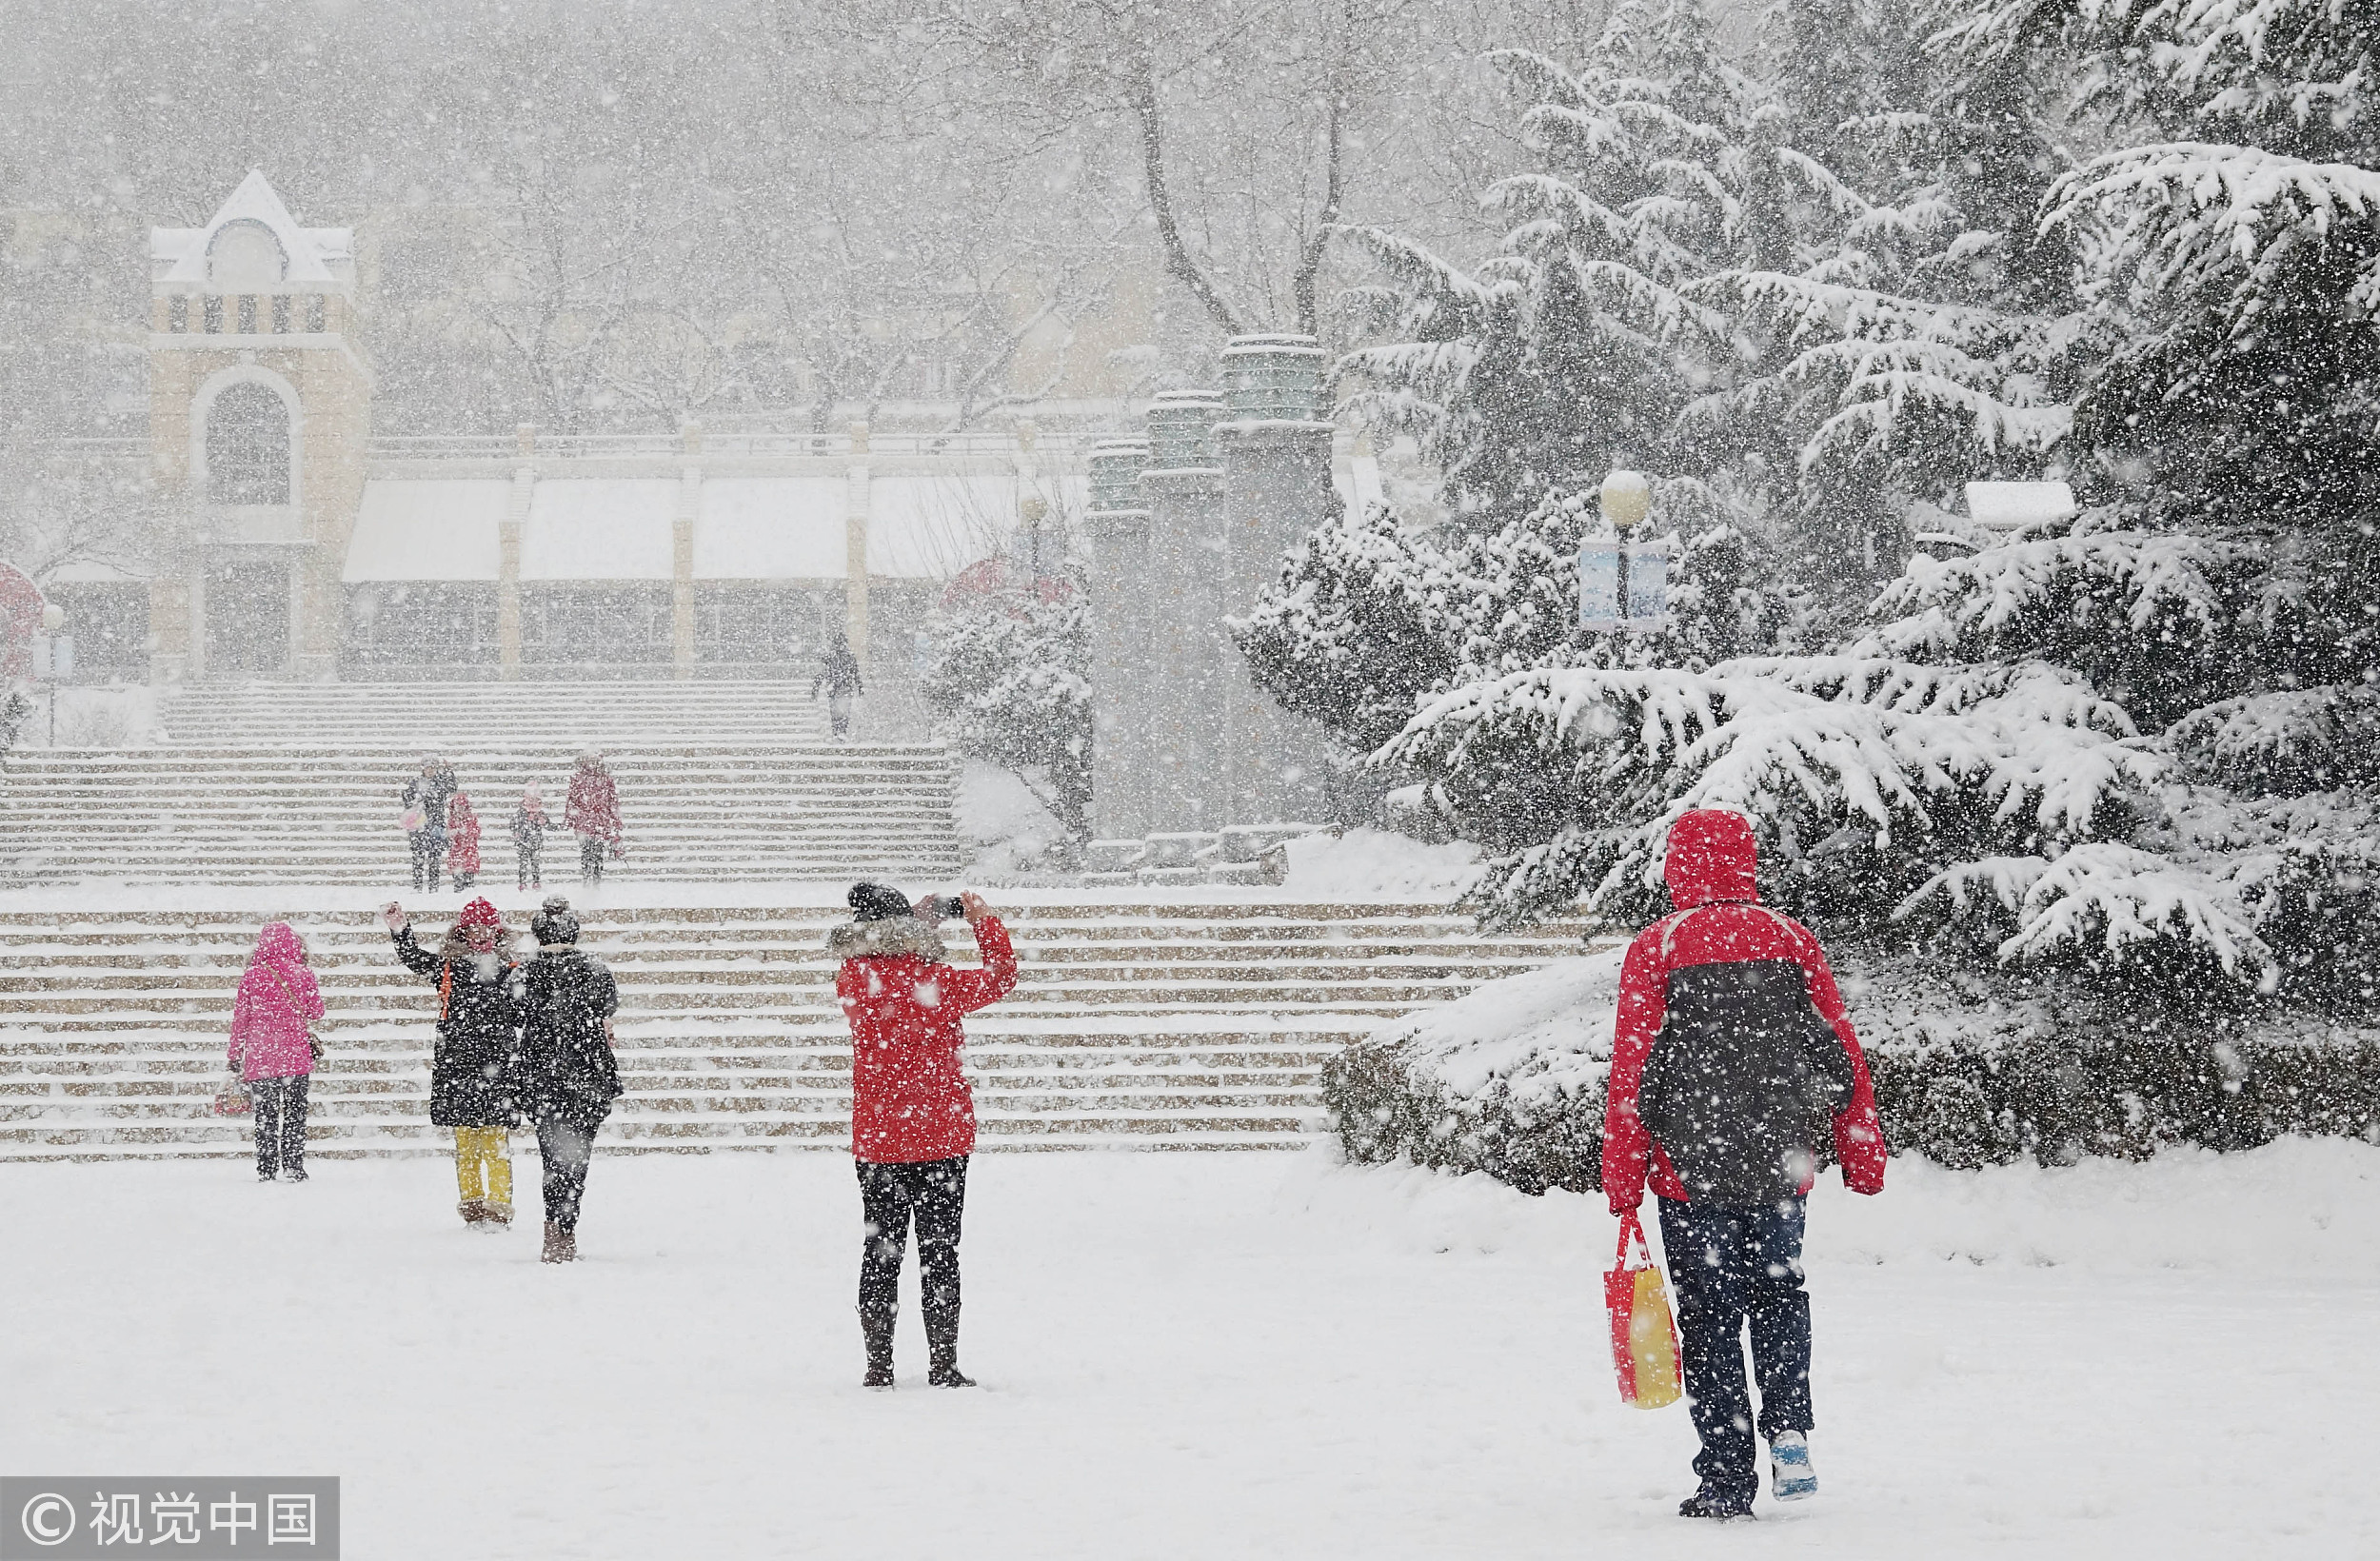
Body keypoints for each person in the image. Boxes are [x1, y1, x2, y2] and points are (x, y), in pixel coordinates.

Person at [1600, 808, 1887, 1522]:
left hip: (1687, 1172)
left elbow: (1632, 1074)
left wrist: (1623, 1176)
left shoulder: (1658, 947)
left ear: (1676, 866)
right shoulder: (1792, 940)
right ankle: (1789, 1428)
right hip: (1781, 1164)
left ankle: (1726, 1479)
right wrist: (1861, 1150)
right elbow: (1839, 1052)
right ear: (1748, 861)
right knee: (1780, 1295)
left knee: (1708, 1317)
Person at [830, 882, 1018, 1389]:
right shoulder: (938, 982)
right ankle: (943, 1363)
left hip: (879, 1138)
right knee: (940, 1251)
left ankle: (878, 1365)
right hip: (941, 1136)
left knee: (881, 1249)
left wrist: (913, 921)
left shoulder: (852, 980)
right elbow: (1003, 976)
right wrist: (981, 919)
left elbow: (883, 957)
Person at [384, 897, 524, 1228]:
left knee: (494, 1141)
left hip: (496, 1064)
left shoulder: (513, 968)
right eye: (473, 929)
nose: (480, 935)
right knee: (466, 1142)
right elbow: (414, 958)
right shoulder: (449, 966)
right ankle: (474, 1206)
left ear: (497, 930)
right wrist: (401, 931)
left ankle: (499, 1207)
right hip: (459, 1065)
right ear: (463, 932)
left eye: (486, 928)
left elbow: (524, 1009)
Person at [516, 895, 622, 1262]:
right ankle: (566, 1227)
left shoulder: (524, 971)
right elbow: (608, 1005)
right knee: (578, 1157)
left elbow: (514, 1013)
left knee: (552, 1156)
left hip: (542, 1073)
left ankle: (554, 1231)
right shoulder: (594, 969)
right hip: (586, 1070)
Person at [228, 920, 325, 1183]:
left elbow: (241, 1018)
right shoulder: (303, 973)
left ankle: (266, 1168)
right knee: (295, 1114)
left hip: (262, 1058)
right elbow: (317, 1012)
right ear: (294, 944)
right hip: (296, 1057)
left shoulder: (252, 975)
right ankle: (293, 1166)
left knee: (265, 1116)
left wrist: (234, 1053)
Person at [565, 751, 622, 886]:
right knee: (586, 852)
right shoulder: (578, 778)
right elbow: (572, 800)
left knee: (598, 853)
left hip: (599, 822)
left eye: (595, 761)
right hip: (586, 822)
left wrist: (615, 820)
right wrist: (570, 817)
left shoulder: (606, 779)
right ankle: (587, 877)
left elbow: (613, 801)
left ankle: (596, 879)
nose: (592, 764)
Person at [400, 756, 454, 894]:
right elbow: (407, 800)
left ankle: (433, 886)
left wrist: (449, 771)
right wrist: (414, 801)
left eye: (433, 768)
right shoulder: (416, 782)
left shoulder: (441, 781)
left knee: (434, 857)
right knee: (418, 857)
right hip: (419, 825)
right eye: (428, 768)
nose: (430, 771)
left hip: (436, 824)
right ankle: (418, 885)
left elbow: (452, 787)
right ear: (423, 769)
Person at [813, 631, 864, 739]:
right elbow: (855, 673)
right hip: (840, 687)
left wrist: (816, 687)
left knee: (840, 710)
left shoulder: (838, 657)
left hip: (839, 687)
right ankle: (839, 731)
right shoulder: (837, 657)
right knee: (839, 710)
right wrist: (859, 686)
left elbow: (855, 673)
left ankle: (839, 731)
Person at [511, 783, 549, 891]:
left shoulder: (539, 813)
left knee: (535, 863)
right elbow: (513, 824)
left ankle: (536, 881)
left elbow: (548, 824)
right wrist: (517, 831)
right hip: (523, 841)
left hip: (534, 841)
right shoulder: (521, 813)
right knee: (523, 863)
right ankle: (522, 882)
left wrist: (543, 822)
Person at [446, 789, 482, 892]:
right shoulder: (452, 820)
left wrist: (467, 833)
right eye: (458, 807)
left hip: (468, 854)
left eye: (461, 807)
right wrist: (454, 833)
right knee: (458, 882)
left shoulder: (471, 819)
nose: (459, 810)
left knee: (469, 882)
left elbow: (476, 832)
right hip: (457, 854)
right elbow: (448, 833)